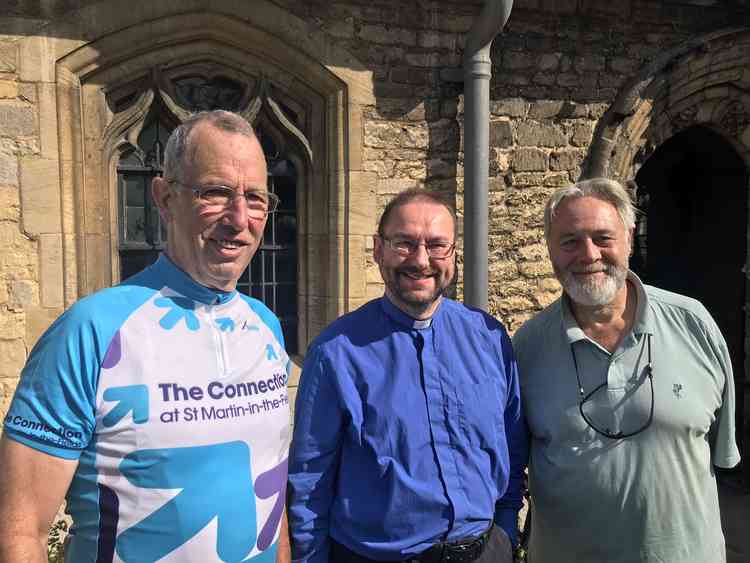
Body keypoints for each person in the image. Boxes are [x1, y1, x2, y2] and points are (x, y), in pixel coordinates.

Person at [0, 110, 291, 563]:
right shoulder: (90, 331)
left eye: (255, 198)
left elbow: (269, 487)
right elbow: (20, 533)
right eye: (214, 192)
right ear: (163, 198)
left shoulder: (265, 326)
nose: (239, 218)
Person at [287, 189, 528, 563]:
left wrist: (506, 532)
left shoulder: (489, 338)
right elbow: (309, 482)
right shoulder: (336, 353)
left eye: (436, 245)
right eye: (404, 244)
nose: (420, 260)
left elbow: (512, 444)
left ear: (453, 254)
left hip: (486, 551)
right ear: (378, 250)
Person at [512, 178, 741, 563]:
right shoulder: (526, 348)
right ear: (549, 248)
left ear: (630, 238)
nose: (588, 254)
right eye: (569, 241)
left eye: (603, 237)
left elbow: (719, 448)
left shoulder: (694, 325)